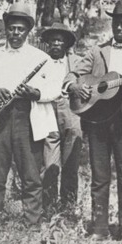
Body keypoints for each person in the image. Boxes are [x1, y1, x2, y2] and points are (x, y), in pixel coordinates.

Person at [63, 0, 122, 244]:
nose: (120, 27)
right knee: (99, 176)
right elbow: (73, 73)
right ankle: (99, 229)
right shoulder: (97, 50)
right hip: (97, 121)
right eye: (117, 22)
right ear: (112, 23)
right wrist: (75, 86)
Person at [0, 3, 59, 230]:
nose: (15, 33)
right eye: (12, 28)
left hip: (27, 118)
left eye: (20, 29)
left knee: (30, 174)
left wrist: (35, 93)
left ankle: (32, 224)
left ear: (28, 30)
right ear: (6, 29)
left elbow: (55, 88)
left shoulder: (42, 58)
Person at [40, 22, 83, 213]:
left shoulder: (78, 62)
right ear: (48, 43)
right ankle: (48, 208)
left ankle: (68, 208)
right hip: (47, 110)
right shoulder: (41, 61)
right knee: (49, 163)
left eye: (60, 40)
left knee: (71, 162)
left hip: (71, 111)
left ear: (66, 43)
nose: (56, 44)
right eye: (53, 40)